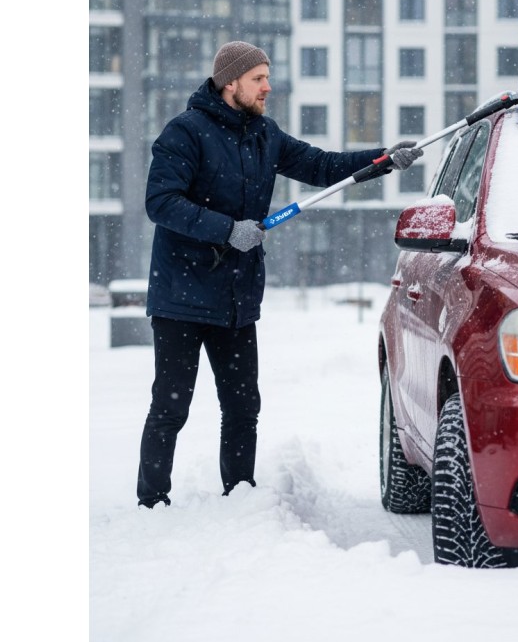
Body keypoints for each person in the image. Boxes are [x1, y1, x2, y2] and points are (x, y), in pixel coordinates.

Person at [137, 41, 422, 508]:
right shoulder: (185, 132)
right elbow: (161, 202)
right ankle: (151, 502)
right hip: (181, 297)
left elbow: (321, 165)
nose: (268, 87)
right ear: (230, 82)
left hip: (234, 298)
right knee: (171, 406)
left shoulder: (264, 135)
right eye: (258, 78)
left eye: (268, 77)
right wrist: (228, 230)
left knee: (243, 406)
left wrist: (383, 160)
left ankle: (240, 497)